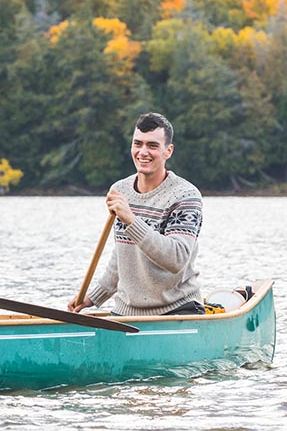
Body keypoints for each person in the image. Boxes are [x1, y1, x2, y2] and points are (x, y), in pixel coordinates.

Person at [68, 112, 204, 317]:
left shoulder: (186, 196)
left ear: (168, 151)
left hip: (177, 310)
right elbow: (123, 255)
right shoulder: (120, 190)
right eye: (137, 144)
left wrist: (131, 219)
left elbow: (176, 259)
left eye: (152, 146)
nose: (142, 152)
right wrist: (94, 297)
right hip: (126, 311)